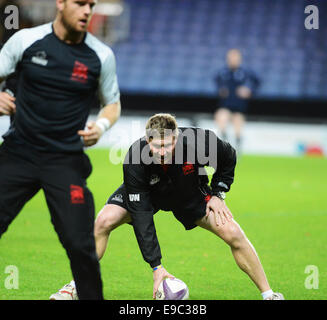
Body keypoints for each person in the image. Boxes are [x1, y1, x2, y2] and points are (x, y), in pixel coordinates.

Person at [50, 113, 284, 301]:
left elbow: (228, 157)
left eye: (168, 145)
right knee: (103, 221)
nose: (162, 152)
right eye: (157, 146)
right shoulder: (135, 158)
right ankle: (74, 286)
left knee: (233, 233)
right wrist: (156, 267)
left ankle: (269, 295)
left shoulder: (200, 142)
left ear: (177, 138)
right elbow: (141, 216)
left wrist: (218, 194)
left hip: (190, 193)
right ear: (147, 141)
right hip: (148, 194)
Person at [0, 0, 121, 300]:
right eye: (80, 4)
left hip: (65, 161)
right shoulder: (25, 41)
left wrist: (101, 127)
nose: (87, 11)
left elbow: (112, 103)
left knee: (81, 245)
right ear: (61, 3)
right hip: (18, 154)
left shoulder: (100, 56)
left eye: (91, 5)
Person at [214, 49, 260, 154]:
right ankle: (225, 144)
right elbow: (217, 82)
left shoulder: (246, 72)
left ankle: (238, 147)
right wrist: (221, 90)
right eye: (231, 58)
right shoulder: (222, 72)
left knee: (237, 124)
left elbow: (257, 82)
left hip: (239, 106)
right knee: (221, 117)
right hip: (226, 104)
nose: (233, 60)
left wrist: (249, 91)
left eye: (235, 58)